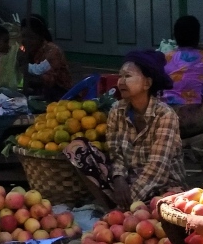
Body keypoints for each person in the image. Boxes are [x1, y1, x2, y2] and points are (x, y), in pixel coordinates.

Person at [65, 49, 186, 207]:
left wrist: (129, 201)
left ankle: (120, 210)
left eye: (127, 76)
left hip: (161, 184)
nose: (120, 81)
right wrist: (118, 178)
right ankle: (110, 209)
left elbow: (157, 169)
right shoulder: (117, 110)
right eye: (120, 76)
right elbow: (116, 153)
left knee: (170, 203)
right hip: (128, 181)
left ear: (147, 83)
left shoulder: (165, 116)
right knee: (77, 148)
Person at [162, 15, 203, 106]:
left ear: (175, 36)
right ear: (197, 36)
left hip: (169, 107)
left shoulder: (165, 58)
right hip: (197, 108)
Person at [19, 14, 72, 102]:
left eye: (31, 37)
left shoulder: (53, 51)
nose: (25, 41)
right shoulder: (26, 50)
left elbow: (48, 82)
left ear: (41, 36)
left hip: (61, 95)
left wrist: (21, 70)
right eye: (23, 36)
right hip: (40, 93)